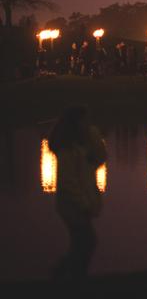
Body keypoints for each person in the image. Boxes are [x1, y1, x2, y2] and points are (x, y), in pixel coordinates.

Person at [48, 106, 107, 279]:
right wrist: (84, 204)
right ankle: (67, 275)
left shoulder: (83, 145)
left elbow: (101, 157)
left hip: (80, 203)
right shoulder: (66, 149)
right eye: (85, 121)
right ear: (76, 123)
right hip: (72, 206)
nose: (88, 124)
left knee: (82, 243)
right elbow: (68, 182)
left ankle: (71, 277)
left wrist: (94, 133)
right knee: (87, 242)